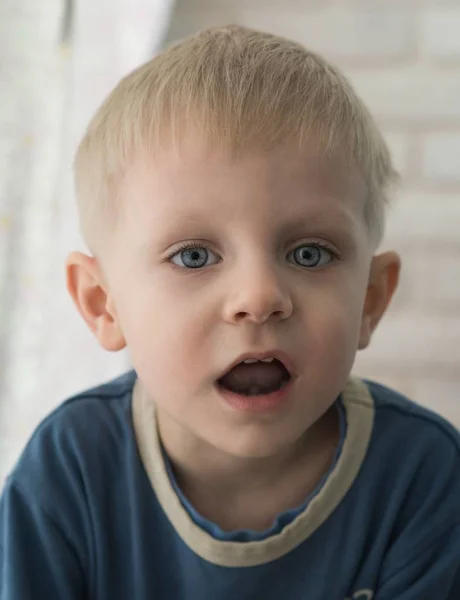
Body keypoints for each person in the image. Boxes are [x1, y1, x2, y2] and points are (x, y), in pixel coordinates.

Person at [1, 24, 459, 600]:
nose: (259, 296)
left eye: (309, 253)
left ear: (370, 298)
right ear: (103, 303)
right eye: (194, 256)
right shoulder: (69, 472)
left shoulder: (422, 475)